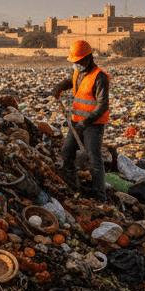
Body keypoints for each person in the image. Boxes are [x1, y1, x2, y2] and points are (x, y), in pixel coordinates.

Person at [51, 40, 109, 200]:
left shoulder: (100, 77)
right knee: (67, 151)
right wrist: (61, 86)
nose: (76, 64)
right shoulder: (79, 72)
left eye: (79, 61)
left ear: (88, 58)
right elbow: (74, 82)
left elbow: (103, 105)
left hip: (93, 125)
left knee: (93, 158)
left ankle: (99, 194)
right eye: (74, 62)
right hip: (76, 121)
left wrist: (87, 122)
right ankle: (71, 181)